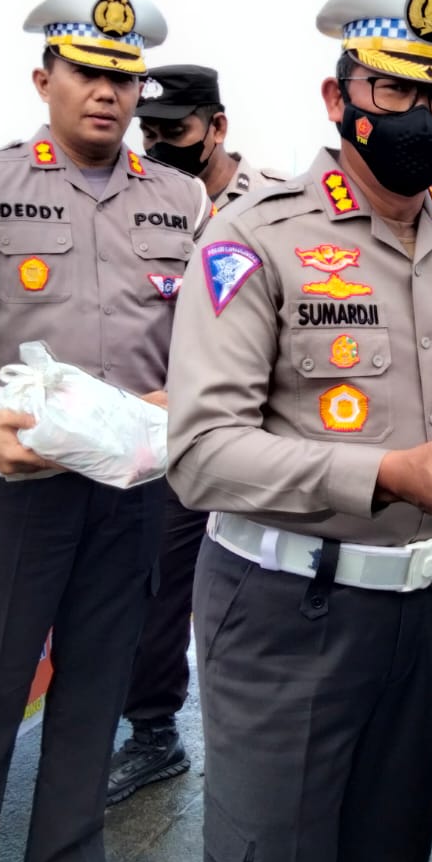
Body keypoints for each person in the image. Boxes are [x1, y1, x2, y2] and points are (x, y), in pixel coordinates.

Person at [165, 0, 432, 862]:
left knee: (393, 850)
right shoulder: (254, 237)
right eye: (395, 88)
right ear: (337, 95)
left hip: (429, 605)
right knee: (273, 858)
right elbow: (199, 457)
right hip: (284, 608)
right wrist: (385, 475)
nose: (424, 116)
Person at [0, 0, 209, 862]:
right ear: (45, 78)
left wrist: (181, 397)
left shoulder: (182, 201)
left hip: (134, 490)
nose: (108, 90)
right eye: (87, 72)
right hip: (20, 480)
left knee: (97, 692)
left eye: (124, 75)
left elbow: (216, 333)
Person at [107, 62, 287, 805]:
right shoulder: (138, 199)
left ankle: (277, 733)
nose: (157, 145)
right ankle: (154, 732)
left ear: (217, 128)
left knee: (266, 589)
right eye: (147, 131)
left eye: (173, 131)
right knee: (154, 583)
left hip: (257, 429)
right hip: (167, 430)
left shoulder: (277, 202)